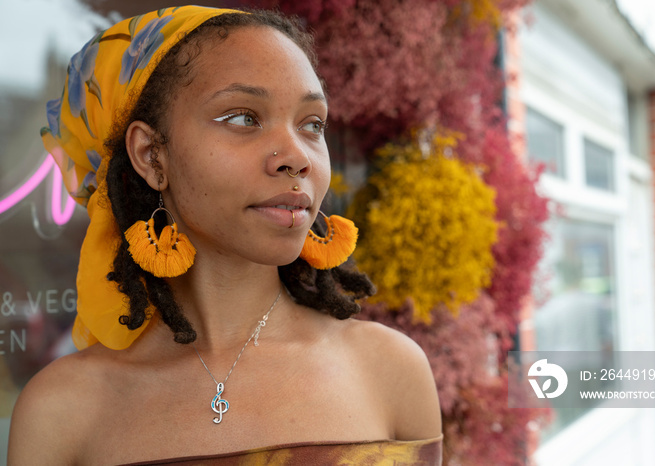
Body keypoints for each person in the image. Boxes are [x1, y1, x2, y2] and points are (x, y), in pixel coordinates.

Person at [7, 6, 442, 465]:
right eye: (242, 118)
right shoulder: (62, 412)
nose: (297, 157)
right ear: (151, 155)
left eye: (312, 124)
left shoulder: (389, 369)